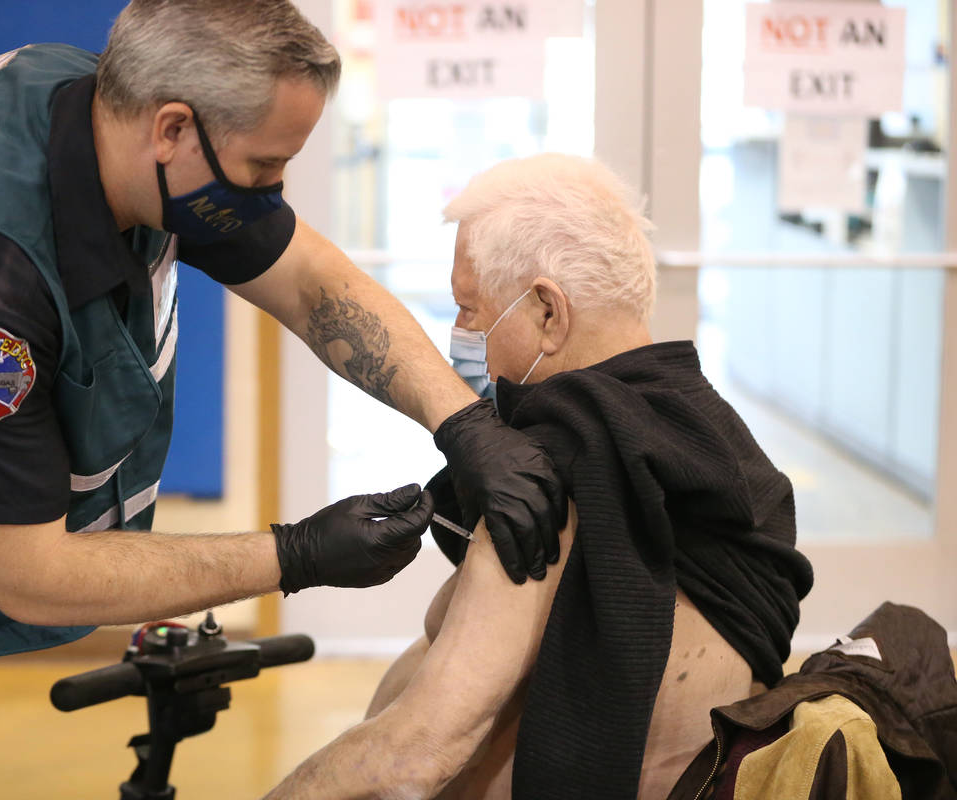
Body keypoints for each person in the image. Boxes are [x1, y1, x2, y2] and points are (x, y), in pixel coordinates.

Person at [0, 3, 566, 798]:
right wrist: (300, 554)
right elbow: (30, 576)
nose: (274, 190)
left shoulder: (104, 115)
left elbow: (313, 284)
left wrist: (460, 423)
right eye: (262, 169)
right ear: (172, 128)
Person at [265, 154, 814, 799]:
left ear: (549, 314)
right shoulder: (704, 430)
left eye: (469, 308)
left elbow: (417, 750)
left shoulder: (564, 462)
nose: (459, 334)